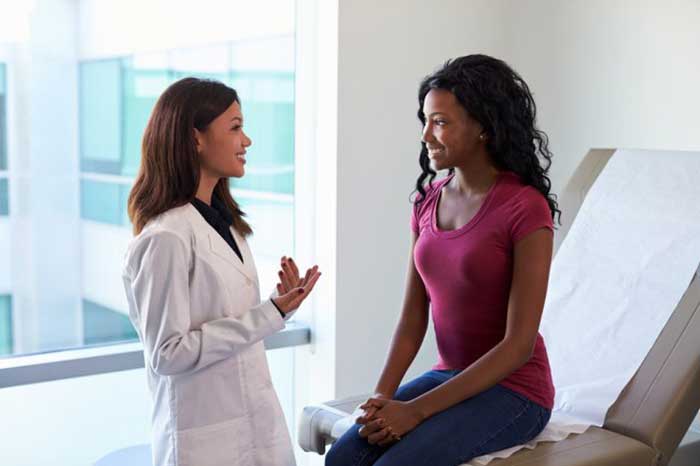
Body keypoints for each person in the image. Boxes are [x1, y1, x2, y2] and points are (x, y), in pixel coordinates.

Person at [325, 54, 560, 466]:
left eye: (440, 122)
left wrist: (415, 410)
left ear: (484, 127)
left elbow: (519, 346)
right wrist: (380, 399)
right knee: (343, 458)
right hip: (450, 375)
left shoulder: (525, 207)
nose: (426, 135)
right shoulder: (426, 202)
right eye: (426, 120)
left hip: (516, 391)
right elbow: (412, 319)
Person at [123, 77, 320, 466]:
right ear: (195, 138)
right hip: (203, 441)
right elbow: (167, 353)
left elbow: (228, 322)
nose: (246, 141)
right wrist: (270, 314)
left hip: (255, 426)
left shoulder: (223, 223)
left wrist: (281, 306)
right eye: (235, 128)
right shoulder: (166, 238)